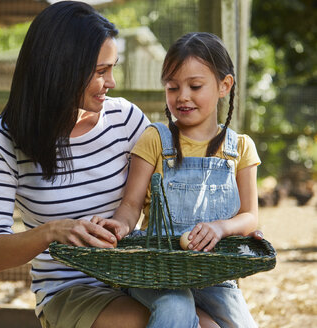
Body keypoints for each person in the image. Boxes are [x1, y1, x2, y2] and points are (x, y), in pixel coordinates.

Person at [0, 2, 152, 327]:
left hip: (139, 277)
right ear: (60, 69)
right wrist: (52, 231)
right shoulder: (1, 139)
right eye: (101, 71)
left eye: (112, 67)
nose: (112, 81)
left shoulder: (126, 119)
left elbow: (168, 188)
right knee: (140, 322)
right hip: (70, 290)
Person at [92, 32, 261, 327]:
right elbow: (131, 204)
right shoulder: (155, 139)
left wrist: (223, 227)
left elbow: (250, 216)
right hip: (156, 268)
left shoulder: (240, 148)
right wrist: (120, 225)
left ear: (225, 85)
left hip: (214, 274)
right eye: (172, 87)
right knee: (175, 308)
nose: (182, 96)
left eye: (195, 86)